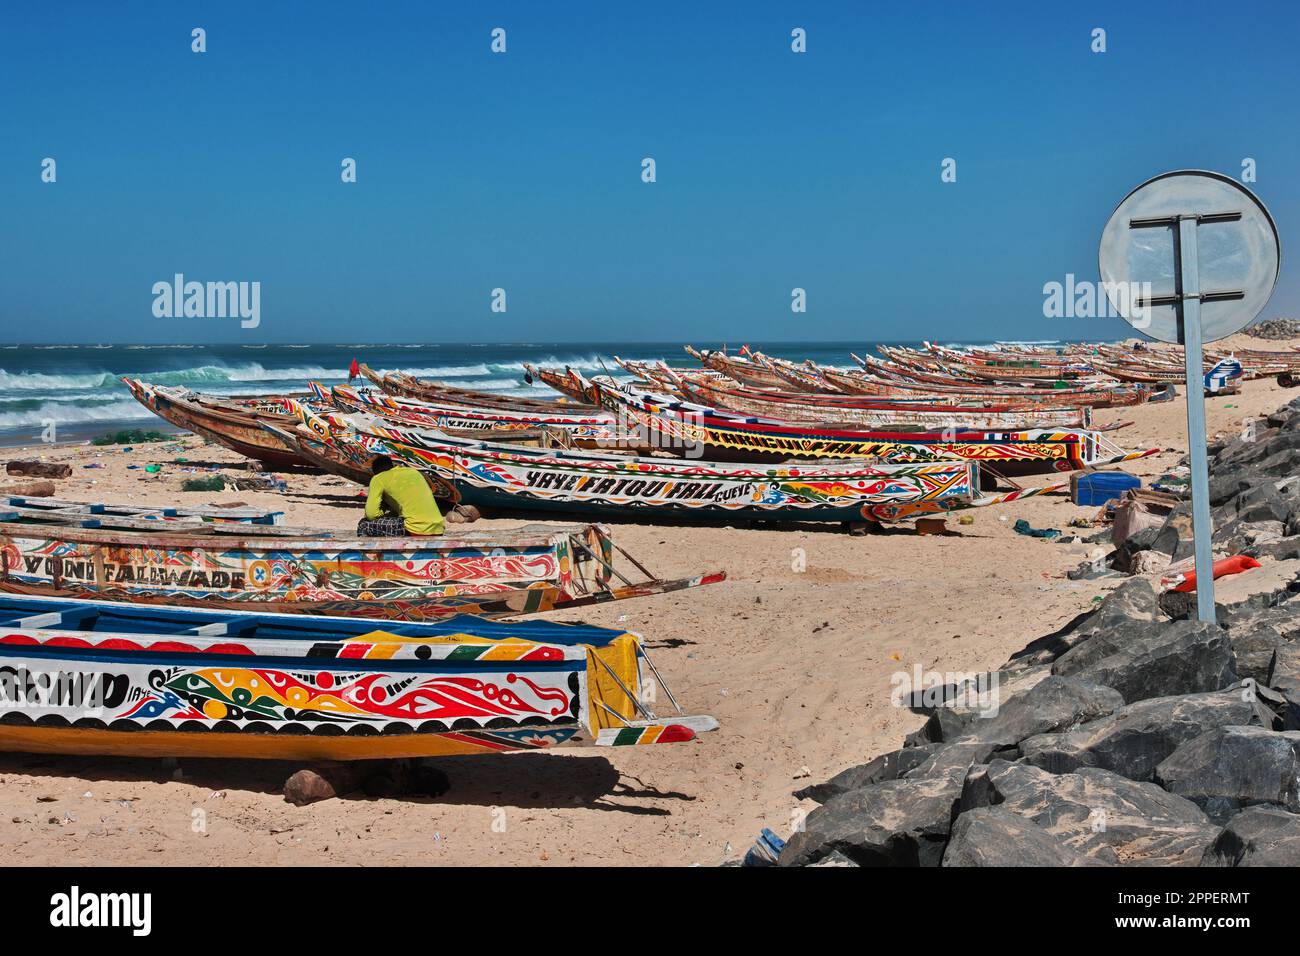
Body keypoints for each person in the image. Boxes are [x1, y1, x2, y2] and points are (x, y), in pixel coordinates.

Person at [356, 455, 445, 537]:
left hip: (415, 529)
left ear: (376, 471)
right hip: (438, 528)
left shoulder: (378, 478)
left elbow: (371, 515)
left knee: (364, 525)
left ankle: (374, 554)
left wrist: (382, 511)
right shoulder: (413, 472)